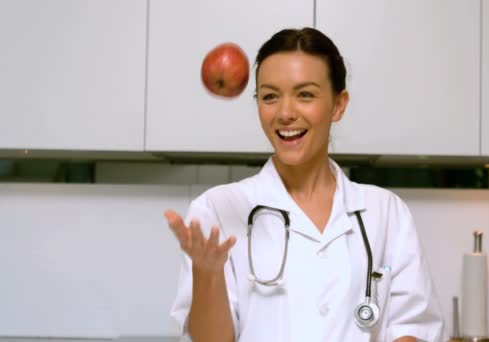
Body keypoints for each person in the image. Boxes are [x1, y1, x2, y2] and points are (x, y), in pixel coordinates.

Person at [166, 27, 446, 342]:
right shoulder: (217, 210)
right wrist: (207, 273)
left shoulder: (386, 212)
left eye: (305, 94)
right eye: (270, 96)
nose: (285, 113)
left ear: (338, 105)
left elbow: (414, 327)